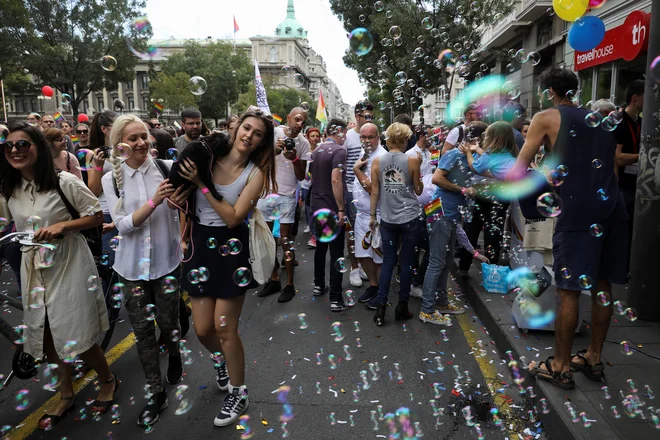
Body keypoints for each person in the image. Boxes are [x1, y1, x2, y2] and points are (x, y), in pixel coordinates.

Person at [508, 67, 628, 389]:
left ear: (549, 92)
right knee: (602, 284)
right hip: (612, 207)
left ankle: (560, 365)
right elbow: (610, 169)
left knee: (568, 290)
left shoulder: (546, 117)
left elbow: (519, 169)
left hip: (578, 211)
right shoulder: (600, 120)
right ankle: (593, 356)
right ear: (575, 90)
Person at [0, 122, 116, 430]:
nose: (15, 150)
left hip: (69, 263)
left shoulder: (64, 181)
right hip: (34, 268)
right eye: (9, 146)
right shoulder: (10, 189)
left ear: (38, 147)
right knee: (48, 332)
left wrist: (63, 226)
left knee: (77, 329)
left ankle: (107, 378)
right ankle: (66, 393)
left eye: (23, 144)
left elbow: (94, 215)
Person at [177, 109, 276, 427]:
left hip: (230, 250)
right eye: (246, 128)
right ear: (236, 129)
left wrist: (202, 184)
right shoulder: (207, 157)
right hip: (199, 246)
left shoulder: (255, 173)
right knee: (202, 329)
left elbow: (233, 217)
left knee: (225, 328)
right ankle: (220, 361)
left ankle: (239, 389)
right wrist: (182, 233)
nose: (249, 135)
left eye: (257, 133)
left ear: (263, 141)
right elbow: (184, 198)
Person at [102, 115, 191, 426]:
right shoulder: (110, 179)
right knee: (142, 334)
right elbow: (123, 226)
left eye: (144, 136)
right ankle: (156, 392)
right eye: (133, 138)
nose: (141, 143)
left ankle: (175, 352)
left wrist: (179, 207)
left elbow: (184, 208)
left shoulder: (166, 169)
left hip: (167, 263)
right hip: (129, 269)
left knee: (168, 324)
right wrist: (154, 202)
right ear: (119, 146)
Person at [369, 122, 424, 326]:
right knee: (407, 262)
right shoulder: (412, 160)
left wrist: (373, 216)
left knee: (388, 262)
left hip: (387, 218)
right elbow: (418, 191)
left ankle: (381, 308)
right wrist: (418, 167)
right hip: (409, 218)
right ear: (404, 139)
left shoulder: (377, 162)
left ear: (388, 138)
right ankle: (402, 306)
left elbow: (375, 191)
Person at [256, 107, 310, 303]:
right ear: (288, 118)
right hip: (267, 192)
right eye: (296, 119)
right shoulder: (274, 134)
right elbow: (258, 160)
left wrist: (293, 158)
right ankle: (274, 279)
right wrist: (274, 151)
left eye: (303, 121)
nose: (299, 124)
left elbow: (301, 175)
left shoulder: (303, 143)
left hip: (287, 195)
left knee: (285, 240)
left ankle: (289, 284)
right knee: (267, 239)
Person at [455, 121, 509, 276]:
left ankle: (465, 266)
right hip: (494, 193)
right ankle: (491, 269)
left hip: (480, 192)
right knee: (491, 230)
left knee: (474, 227)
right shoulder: (500, 152)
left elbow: (475, 168)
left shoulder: (484, 151)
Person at [308, 119, 351, 311]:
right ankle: (335, 298)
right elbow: (336, 179)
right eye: (346, 133)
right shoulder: (339, 151)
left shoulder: (316, 150)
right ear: (340, 131)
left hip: (317, 206)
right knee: (336, 252)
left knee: (321, 248)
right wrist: (341, 209)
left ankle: (318, 285)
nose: (346, 137)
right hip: (332, 208)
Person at [353, 122, 387, 305]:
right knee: (363, 254)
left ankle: (381, 293)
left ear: (377, 138)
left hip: (377, 216)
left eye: (369, 137)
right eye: (363, 137)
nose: (366, 140)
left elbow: (374, 190)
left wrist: (356, 170)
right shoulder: (364, 153)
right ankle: (373, 286)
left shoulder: (382, 157)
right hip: (361, 214)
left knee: (378, 257)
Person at [344, 100, 375, 287]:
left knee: (367, 230)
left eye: (372, 116)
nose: (370, 119)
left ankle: (365, 264)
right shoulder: (347, 137)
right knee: (352, 232)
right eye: (366, 116)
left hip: (369, 190)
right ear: (357, 116)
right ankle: (354, 268)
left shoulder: (373, 135)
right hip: (350, 192)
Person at [614, 79, 644, 257]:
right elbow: (617, 158)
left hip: (639, 182)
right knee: (626, 229)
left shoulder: (641, 122)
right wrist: (644, 156)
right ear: (635, 98)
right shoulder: (620, 122)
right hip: (624, 187)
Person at [87, 111, 118, 270]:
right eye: (117, 125)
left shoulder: (124, 150)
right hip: (107, 212)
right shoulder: (94, 154)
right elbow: (93, 191)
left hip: (128, 210)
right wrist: (99, 166)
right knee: (110, 264)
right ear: (104, 129)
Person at [303, 127, 321, 248]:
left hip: (317, 184)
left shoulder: (321, 150)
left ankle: (315, 235)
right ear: (308, 137)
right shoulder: (304, 150)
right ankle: (311, 227)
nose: (315, 138)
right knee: (307, 208)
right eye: (312, 136)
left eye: (317, 136)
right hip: (305, 184)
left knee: (314, 209)